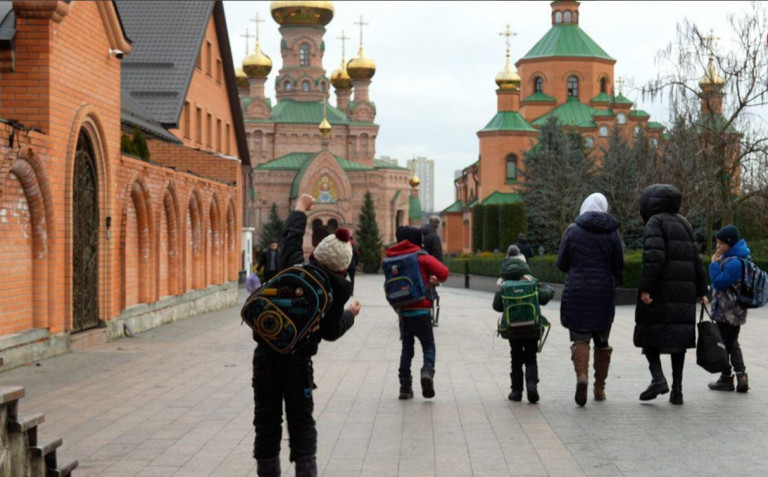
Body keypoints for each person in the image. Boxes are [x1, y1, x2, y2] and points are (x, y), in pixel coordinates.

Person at [252, 193, 362, 477]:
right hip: (299, 363)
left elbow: (290, 238)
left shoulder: (294, 267)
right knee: (302, 423)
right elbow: (331, 332)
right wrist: (351, 314)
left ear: (315, 254)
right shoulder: (337, 290)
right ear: (342, 268)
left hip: (266, 355)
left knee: (266, 422)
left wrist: (299, 209)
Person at [633, 184, 708, 406]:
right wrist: (703, 290)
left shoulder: (654, 222)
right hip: (684, 293)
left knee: (648, 332)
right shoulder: (684, 223)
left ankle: (658, 378)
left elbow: (653, 258)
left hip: (661, 291)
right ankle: (677, 391)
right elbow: (697, 259)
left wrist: (646, 289)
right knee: (678, 341)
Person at [557, 193, 624, 406]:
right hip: (603, 292)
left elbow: (561, 263)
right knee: (602, 340)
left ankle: (581, 377)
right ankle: (599, 388)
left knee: (580, 338)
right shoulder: (612, 233)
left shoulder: (572, 230)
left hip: (577, 291)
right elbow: (619, 264)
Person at [385, 225, 449, 400]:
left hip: (403, 312)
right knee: (428, 345)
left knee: (407, 349)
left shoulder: (392, 257)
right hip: (421, 310)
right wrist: (434, 279)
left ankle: (405, 388)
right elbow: (444, 272)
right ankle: (427, 371)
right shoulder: (421, 256)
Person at [493, 245, 554, 403]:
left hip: (512, 328)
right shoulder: (529, 280)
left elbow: (497, 306)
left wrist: (499, 290)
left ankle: (516, 391)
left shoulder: (503, 283)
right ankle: (532, 385)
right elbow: (543, 298)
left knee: (516, 357)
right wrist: (549, 289)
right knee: (531, 357)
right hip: (532, 326)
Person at [707, 224, 750, 393]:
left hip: (727, 311)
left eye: (721, 243)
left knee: (724, 344)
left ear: (730, 243)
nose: (718, 247)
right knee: (731, 342)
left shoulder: (734, 262)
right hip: (735, 310)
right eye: (717, 243)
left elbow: (720, 282)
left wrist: (713, 265)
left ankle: (727, 378)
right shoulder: (740, 258)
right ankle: (740, 376)